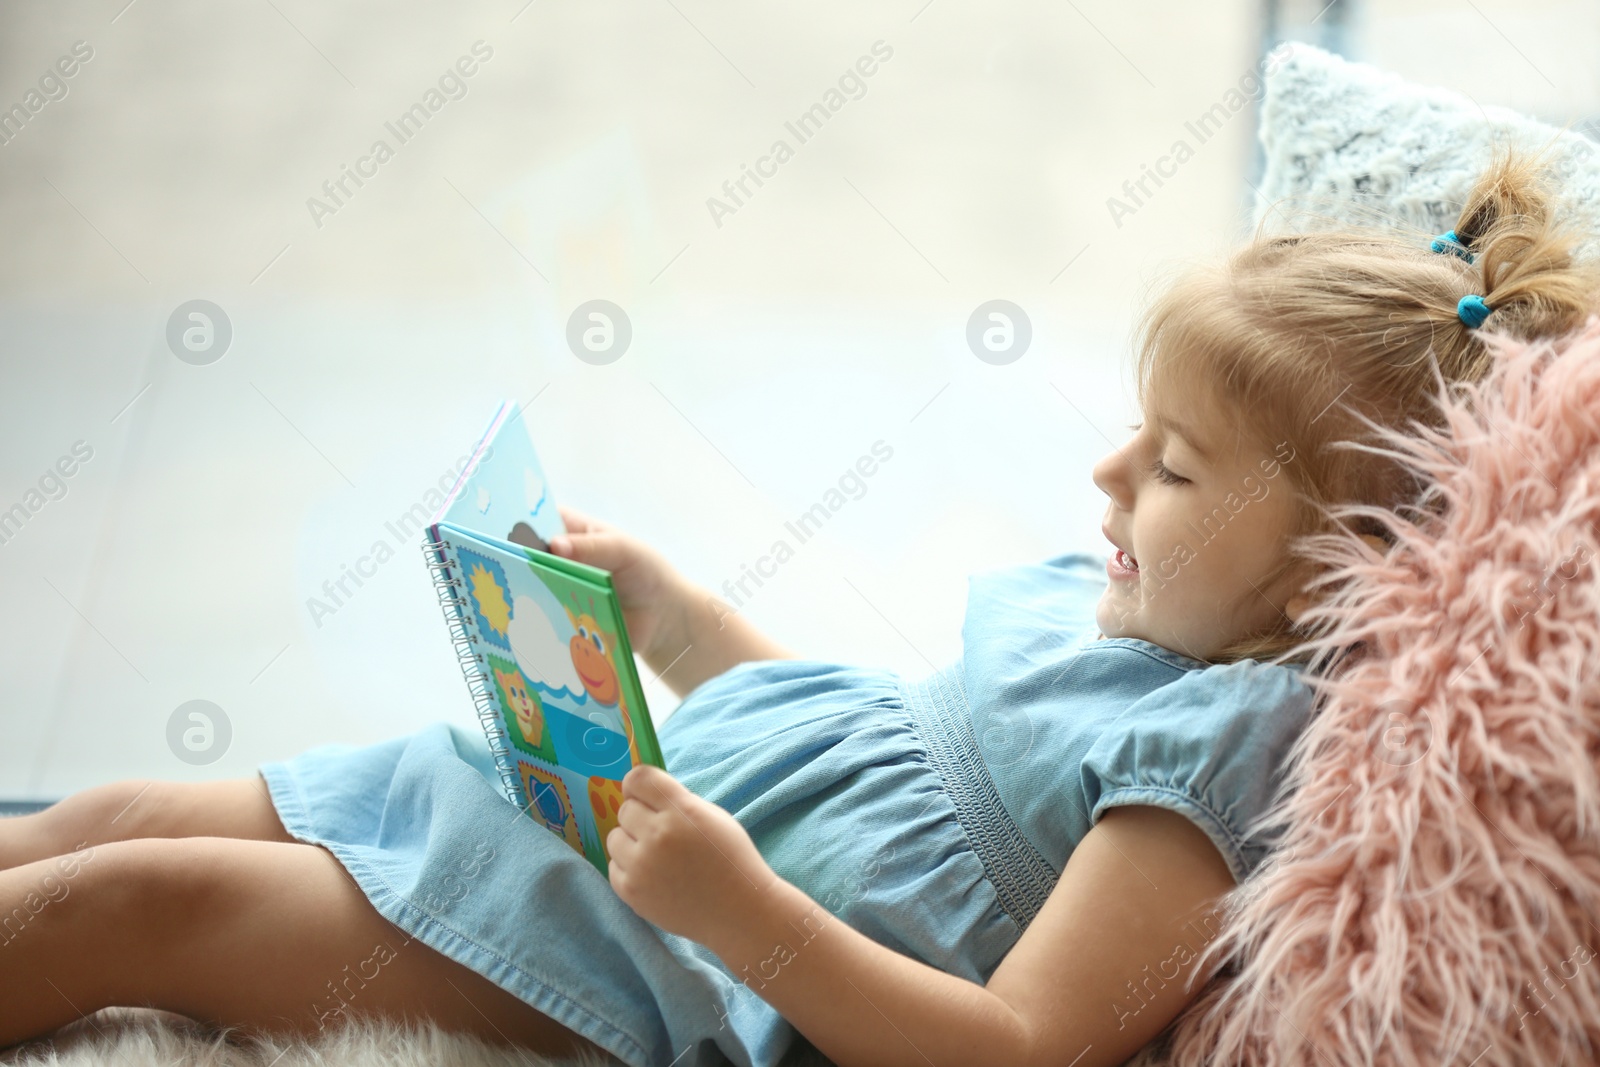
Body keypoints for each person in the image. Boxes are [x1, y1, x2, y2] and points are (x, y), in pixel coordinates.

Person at [4, 149, 1597, 1067]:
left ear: (1338, 568)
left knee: (149, 905)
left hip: (637, 948)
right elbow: (884, 765)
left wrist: (735, 913)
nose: (1109, 477)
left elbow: (1021, 1051)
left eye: (1174, 470)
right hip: (601, 806)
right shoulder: (1123, 618)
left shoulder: (1218, 760)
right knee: (123, 808)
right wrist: (684, 628)